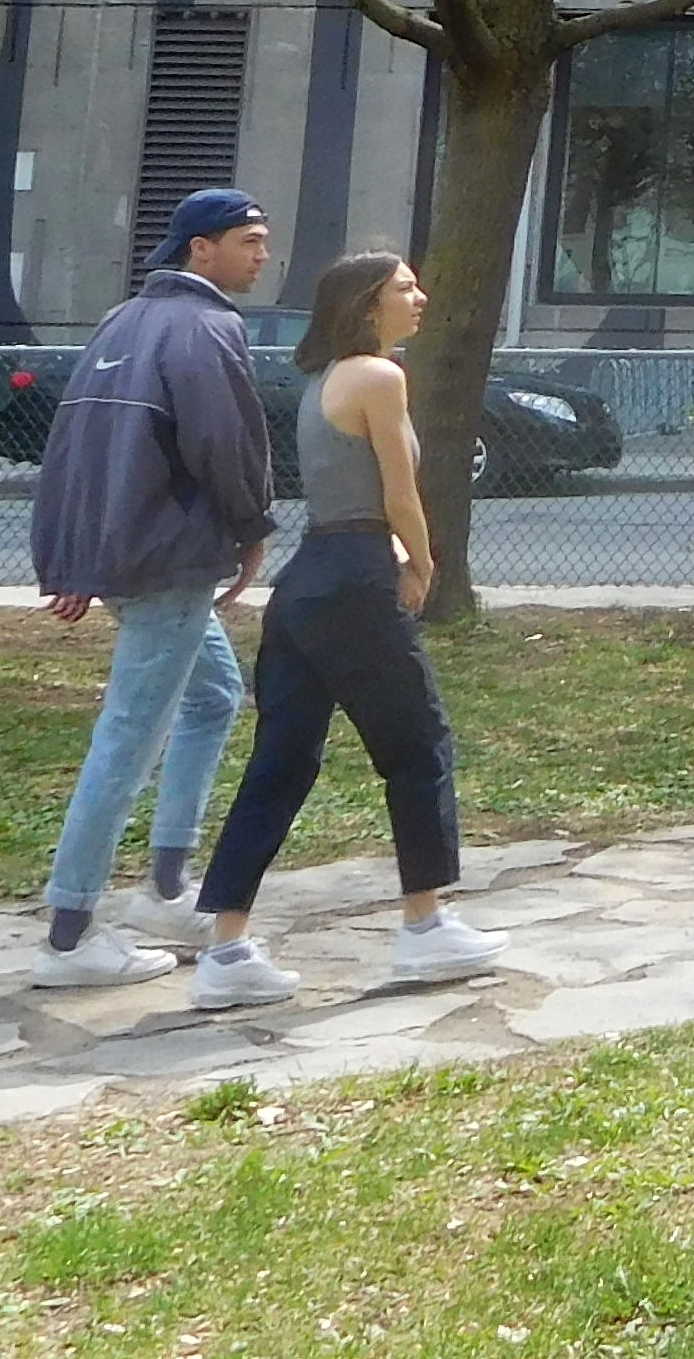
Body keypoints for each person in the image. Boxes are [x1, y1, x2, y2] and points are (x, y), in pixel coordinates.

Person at [186, 248, 506, 1009]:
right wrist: (423, 563)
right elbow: (401, 491)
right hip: (359, 577)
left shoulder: (323, 380)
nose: (419, 296)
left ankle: (226, 948)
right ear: (368, 304)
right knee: (418, 745)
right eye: (404, 287)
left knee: (281, 764)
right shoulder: (379, 376)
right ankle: (425, 928)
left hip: (306, 584)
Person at [24, 185, 278, 988]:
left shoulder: (119, 322)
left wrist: (73, 559)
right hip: (170, 561)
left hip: (128, 558)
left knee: (210, 697)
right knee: (129, 734)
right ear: (198, 249)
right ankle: (70, 935)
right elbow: (224, 441)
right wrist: (253, 529)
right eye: (248, 240)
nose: (262, 255)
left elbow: (74, 448)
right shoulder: (209, 326)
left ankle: (167, 893)